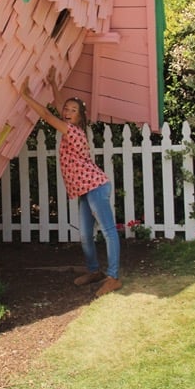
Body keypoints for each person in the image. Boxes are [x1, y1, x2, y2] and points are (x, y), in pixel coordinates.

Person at [21, 67, 123, 297]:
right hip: (86, 190)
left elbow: (48, 116)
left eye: (73, 110)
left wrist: (26, 96)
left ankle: (114, 277)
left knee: (108, 231)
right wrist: (53, 85)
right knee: (86, 234)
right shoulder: (70, 125)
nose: (67, 112)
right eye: (67, 109)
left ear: (79, 117)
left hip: (96, 187)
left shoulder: (73, 132)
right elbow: (58, 108)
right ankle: (95, 271)